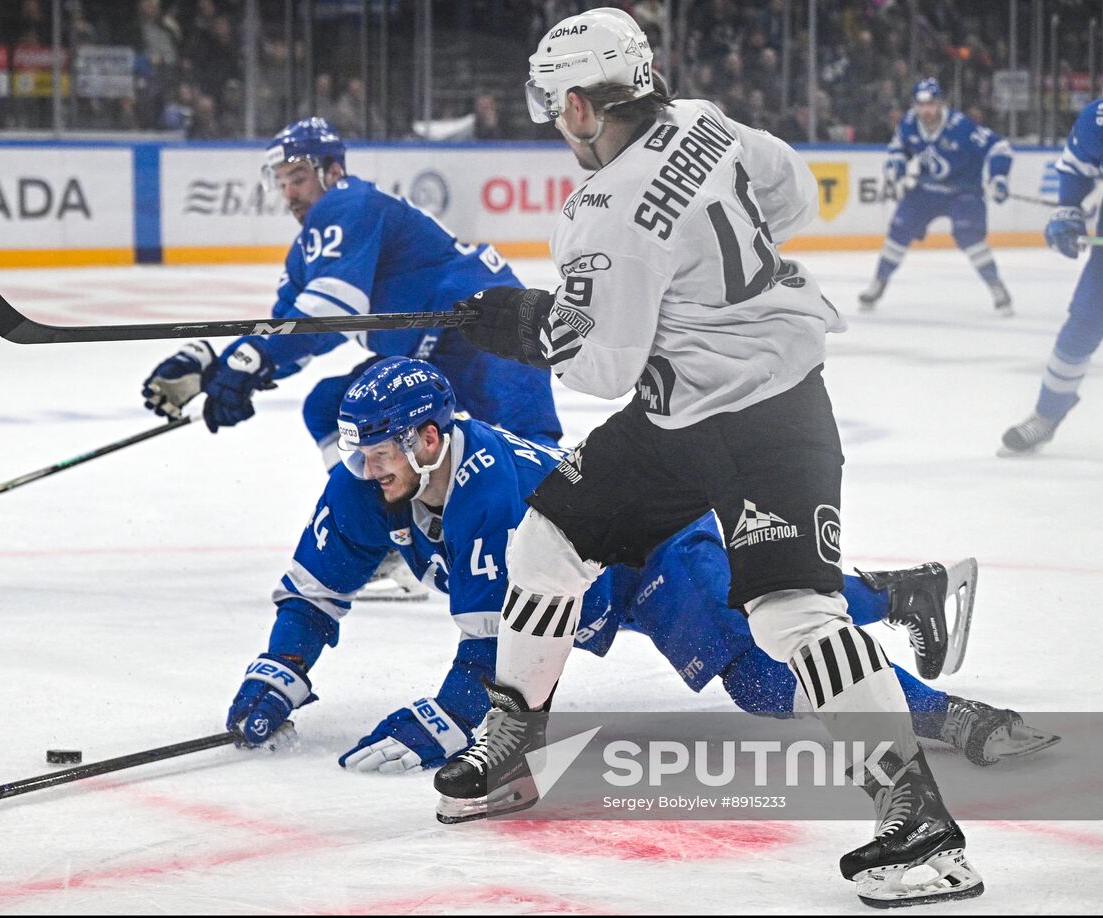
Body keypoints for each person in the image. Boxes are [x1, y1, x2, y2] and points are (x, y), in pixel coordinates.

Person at [439, 9, 982, 907]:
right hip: (684, 413)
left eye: (553, 105)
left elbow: (604, 367)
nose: (556, 124)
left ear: (578, 105)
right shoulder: (703, 120)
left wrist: (530, 324)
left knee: (793, 615)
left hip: (763, 420)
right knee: (550, 538)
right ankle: (515, 744)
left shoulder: (602, 212)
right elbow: (795, 197)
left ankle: (919, 823)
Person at [224, 358, 1056, 777]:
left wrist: (441, 723)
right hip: (588, 582)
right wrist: (278, 674)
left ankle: (955, 717)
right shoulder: (368, 484)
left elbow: (491, 657)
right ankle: (906, 592)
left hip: (652, 551)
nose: (364, 471)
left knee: (763, 674)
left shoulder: (485, 490)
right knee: (770, 607)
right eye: (358, 454)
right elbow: (312, 595)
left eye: (377, 454)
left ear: (428, 439)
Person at [140, 117, 561, 462]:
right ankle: (383, 526)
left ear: (333, 171)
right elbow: (291, 335)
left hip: (487, 334)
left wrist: (249, 363)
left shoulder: (348, 202)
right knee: (328, 407)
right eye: (281, 182)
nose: (289, 193)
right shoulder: (307, 254)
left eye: (298, 178)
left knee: (531, 455)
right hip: (430, 358)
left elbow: (329, 309)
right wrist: (217, 368)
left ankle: (563, 535)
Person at [999, 45, 1103, 456]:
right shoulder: (1099, 120)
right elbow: (1077, 172)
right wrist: (1068, 213)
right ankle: (1047, 415)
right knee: (1081, 327)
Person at [858, 78, 1015, 316]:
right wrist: (896, 170)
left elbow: (999, 147)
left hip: (964, 192)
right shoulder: (909, 123)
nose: (926, 110)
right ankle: (878, 283)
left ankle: (996, 286)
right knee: (899, 230)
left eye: (931, 104)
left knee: (969, 237)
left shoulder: (961, 127)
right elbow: (898, 149)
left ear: (941, 104)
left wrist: (998, 177)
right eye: (921, 105)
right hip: (926, 191)